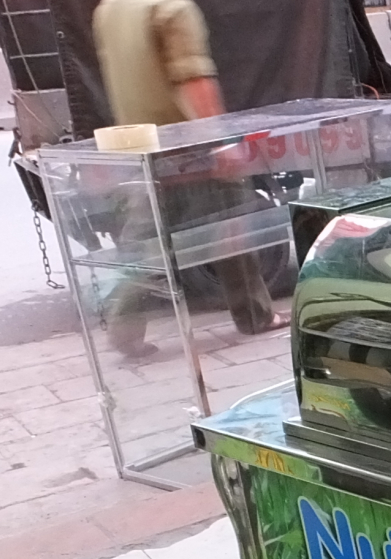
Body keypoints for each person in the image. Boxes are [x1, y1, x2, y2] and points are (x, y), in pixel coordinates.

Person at [93, 0, 287, 358]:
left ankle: (124, 328)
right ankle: (255, 315)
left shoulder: (110, 10)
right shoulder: (172, 8)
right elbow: (194, 79)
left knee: (146, 240)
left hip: (143, 146)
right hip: (189, 148)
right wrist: (221, 142)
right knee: (231, 224)